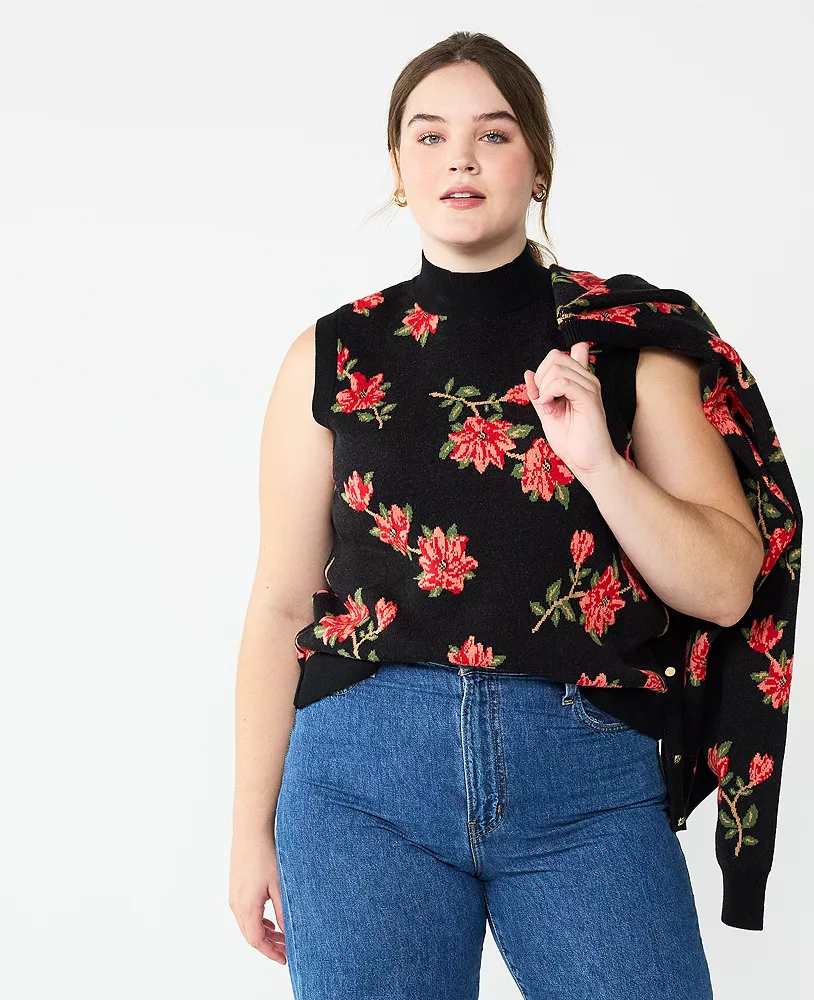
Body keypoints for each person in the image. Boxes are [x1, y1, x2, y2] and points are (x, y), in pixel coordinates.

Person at [230, 30, 767, 999]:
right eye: (429, 136)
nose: (460, 160)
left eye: (493, 133)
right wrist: (247, 831)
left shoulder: (626, 346)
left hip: (586, 781)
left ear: (538, 163)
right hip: (360, 783)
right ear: (399, 169)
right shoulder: (331, 355)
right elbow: (280, 604)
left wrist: (599, 461)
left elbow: (727, 586)